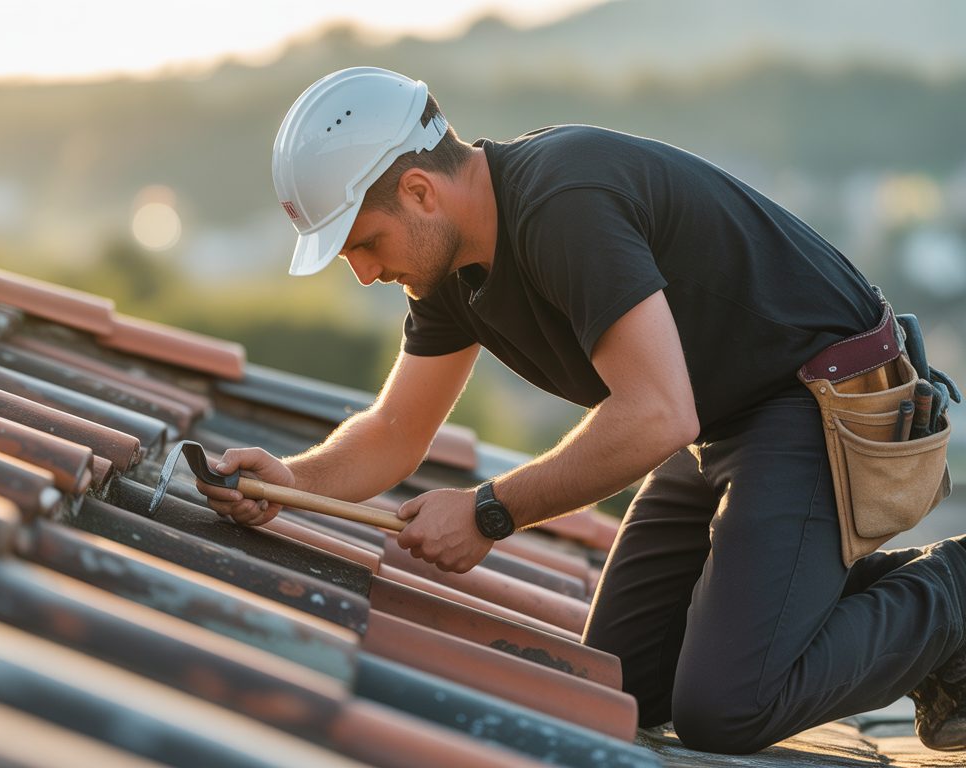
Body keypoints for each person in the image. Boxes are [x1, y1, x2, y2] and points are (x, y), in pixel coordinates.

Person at [195, 66, 966, 754]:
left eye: (365, 243)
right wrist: (291, 481)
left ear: (422, 192)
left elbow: (657, 415)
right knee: (621, 686)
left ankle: (956, 589)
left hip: (816, 400)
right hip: (722, 417)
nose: (364, 273)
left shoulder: (563, 202)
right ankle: (810, 608)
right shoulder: (448, 272)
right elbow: (395, 431)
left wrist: (491, 511)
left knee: (727, 705)